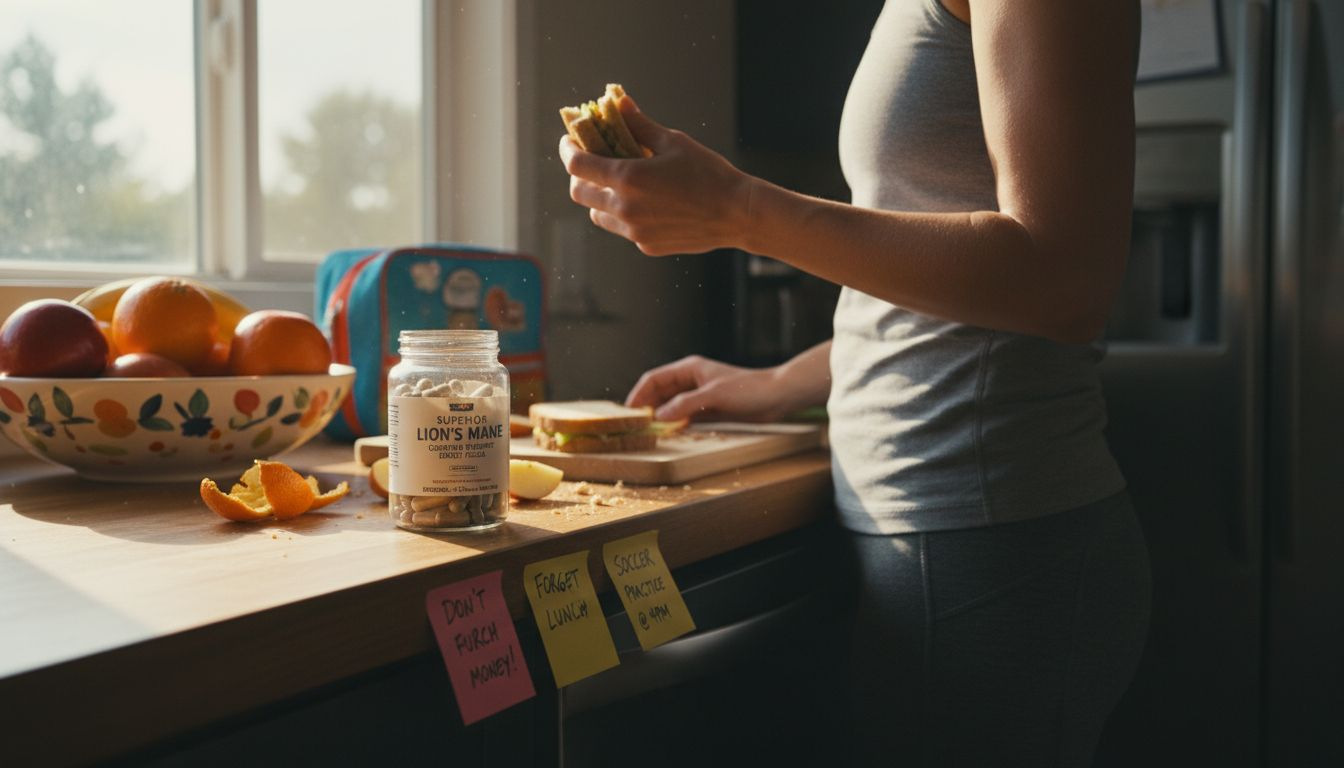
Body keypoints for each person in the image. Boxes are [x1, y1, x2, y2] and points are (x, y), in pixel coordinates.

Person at [559, 0, 1150, 764]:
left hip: (993, 540)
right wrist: (781, 382)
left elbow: (1065, 279)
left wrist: (740, 209)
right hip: (943, 535)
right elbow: (941, 277)